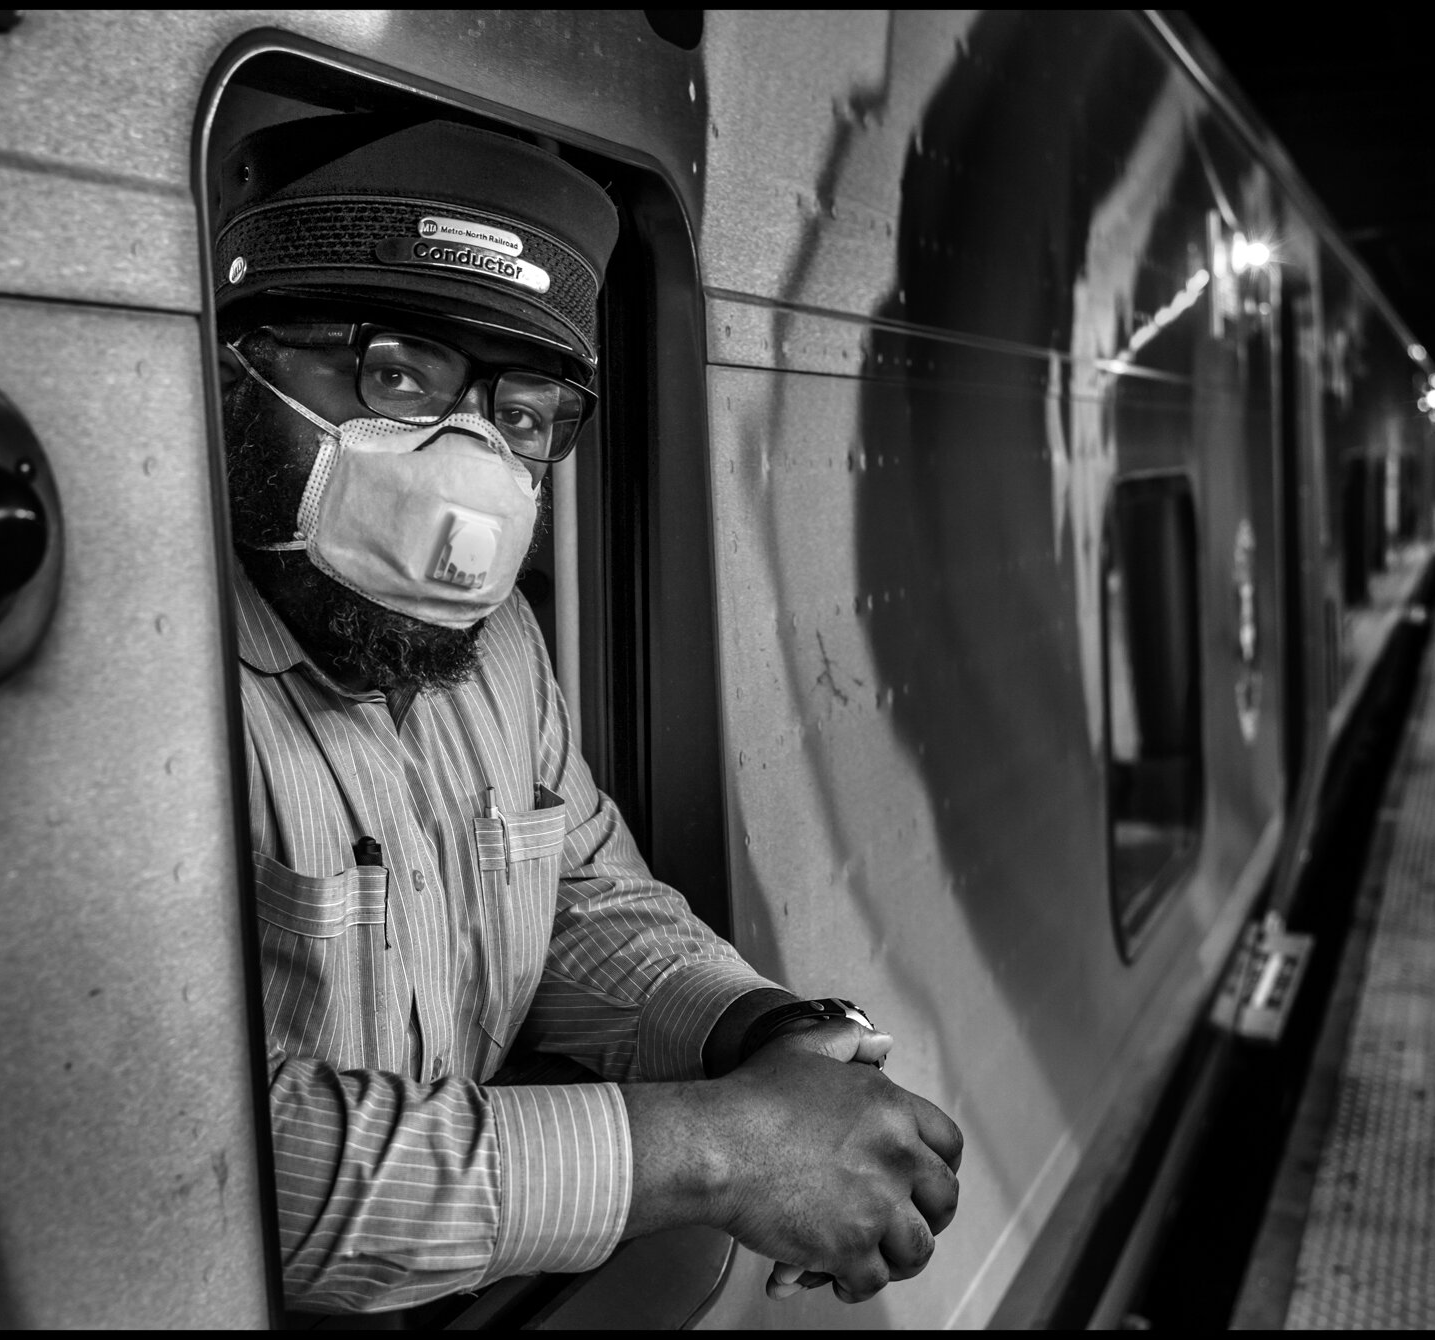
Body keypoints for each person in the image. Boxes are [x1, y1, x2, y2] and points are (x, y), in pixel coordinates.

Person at [211, 116, 962, 1315]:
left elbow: (575, 895)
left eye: (519, 414)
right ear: (240, 365)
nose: (468, 461)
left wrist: (754, 1035)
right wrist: (715, 1146)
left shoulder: (499, 647)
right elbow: (223, 1165)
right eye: (398, 372)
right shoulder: (163, 690)